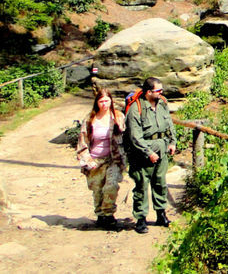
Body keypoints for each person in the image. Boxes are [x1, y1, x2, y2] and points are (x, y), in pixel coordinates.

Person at [125, 77, 176, 234]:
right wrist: (149, 152)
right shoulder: (136, 109)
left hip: (161, 148)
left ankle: (161, 214)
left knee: (160, 183)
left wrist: (173, 142)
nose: (161, 93)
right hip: (142, 152)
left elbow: (169, 124)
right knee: (141, 186)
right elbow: (135, 136)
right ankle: (141, 219)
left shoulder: (162, 104)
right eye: (158, 91)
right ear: (148, 92)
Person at [75, 88, 126, 229]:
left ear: (111, 101)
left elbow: (126, 137)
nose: (104, 104)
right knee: (97, 190)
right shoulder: (90, 119)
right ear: (97, 102)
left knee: (111, 186)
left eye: (107, 101)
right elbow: (82, 142)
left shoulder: (118, 117)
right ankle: (100, 215)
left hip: (113, 159)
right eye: (101, 101)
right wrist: (87, 160)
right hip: (95, 160)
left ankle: (109, 215)